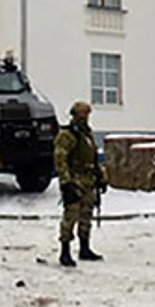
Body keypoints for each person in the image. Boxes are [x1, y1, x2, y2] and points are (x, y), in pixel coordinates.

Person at [53, 101, 107, 267]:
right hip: (74, 180)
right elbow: (60, 159)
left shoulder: (86, 135)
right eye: (81, 114)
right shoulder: (67, 135)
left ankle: (85, 248)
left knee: (86, 215)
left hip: (88, 180)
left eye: (86, 114)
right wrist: (66, 182)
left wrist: (101, 177)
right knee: (71, 215)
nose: (84, 118)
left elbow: (93, 158)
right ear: (74, 115)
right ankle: (65, 251)